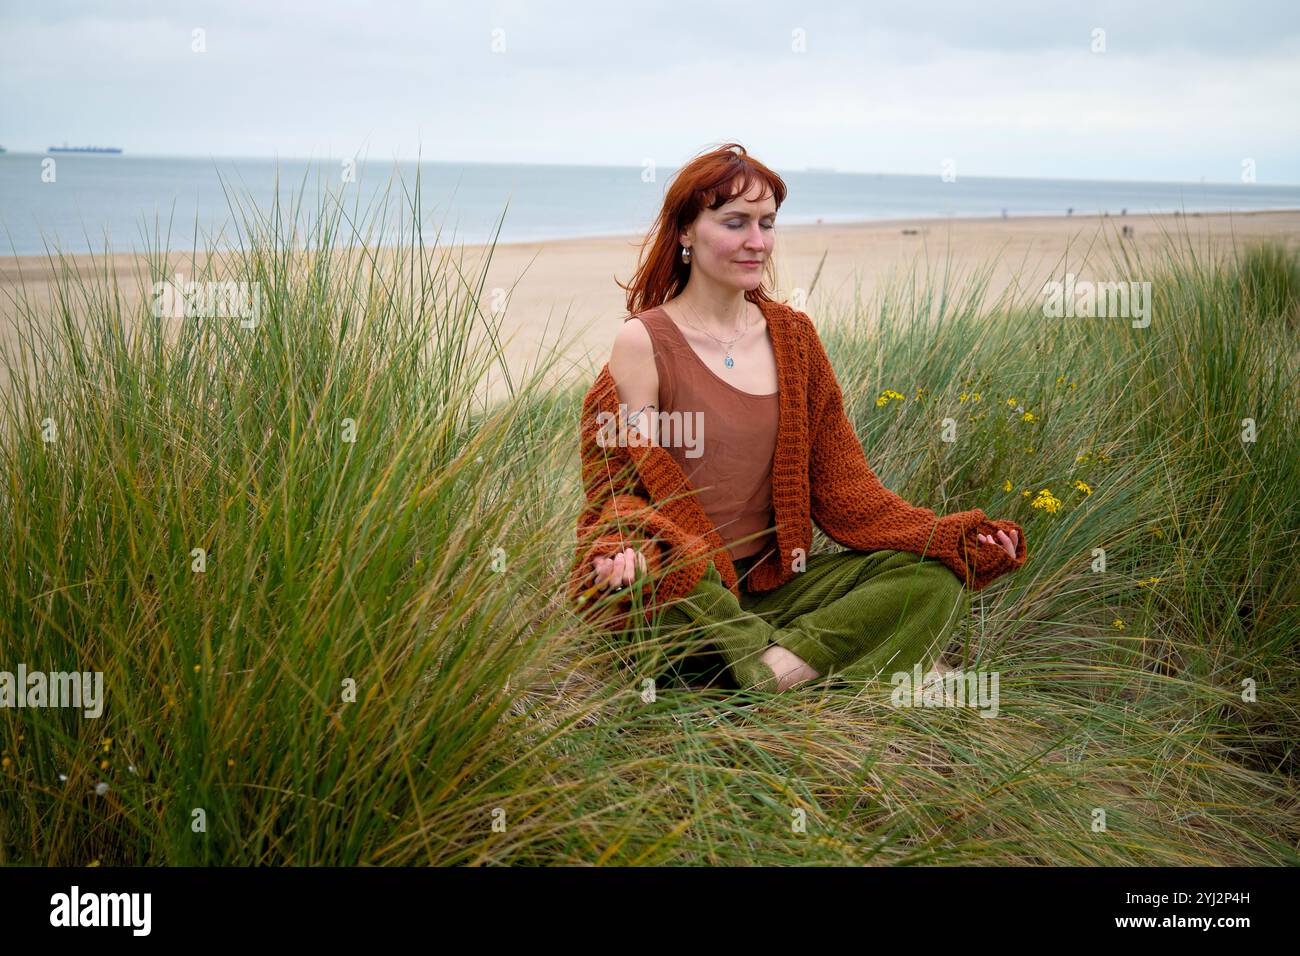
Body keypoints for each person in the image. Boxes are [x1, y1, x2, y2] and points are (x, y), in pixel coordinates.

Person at [567, 142, 1026, 694]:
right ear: (685, 232)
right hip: (693, 587)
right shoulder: (642, 342)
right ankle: (798, 663)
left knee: (934, 581)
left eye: (767, 223)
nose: (756, 242)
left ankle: (758, 676)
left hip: (776, 589)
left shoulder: (794, 339)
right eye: (734, 222)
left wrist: (951, 535)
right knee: (670, 585)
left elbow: (848, 488)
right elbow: (618, 492)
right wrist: (623, 551)